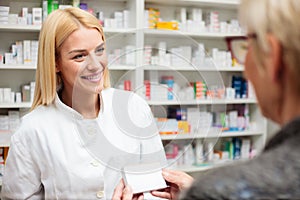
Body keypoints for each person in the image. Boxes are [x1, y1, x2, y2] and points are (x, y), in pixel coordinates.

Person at [113, 0, 300, 199]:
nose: (245, 71)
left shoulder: (232, 188)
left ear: (273, 57)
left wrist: (207, 194)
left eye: (246, 45)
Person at [1, 7, 166, 199]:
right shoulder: (32, 130)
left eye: (100, 50)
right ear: (55, 63)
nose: (95, 65)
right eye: (79, 56)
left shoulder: (134, 107)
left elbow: (156, 188)